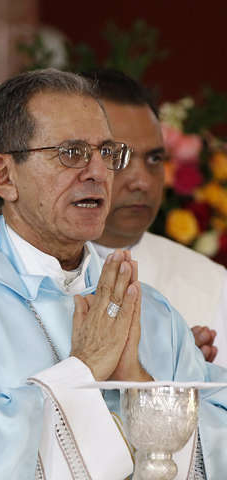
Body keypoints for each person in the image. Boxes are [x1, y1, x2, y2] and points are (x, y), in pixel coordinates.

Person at [0, 69, 227, 480]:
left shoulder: (152, 312)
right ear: (4, 176)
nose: (98, 172)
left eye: (107, 153)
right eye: (71, 153)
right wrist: (85, 369)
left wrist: (137, 382)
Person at [82, 68, 227, 367]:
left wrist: (189, 385)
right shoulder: (29, 272)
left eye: (154, 159)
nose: (142, 182)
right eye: (117, 156)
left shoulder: (212, 286)